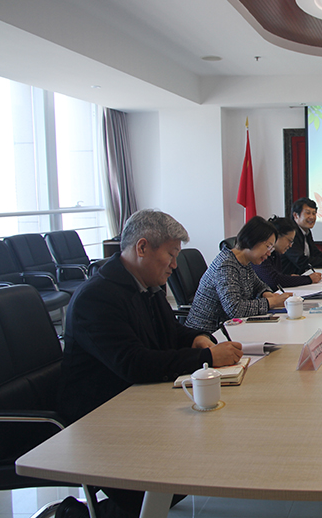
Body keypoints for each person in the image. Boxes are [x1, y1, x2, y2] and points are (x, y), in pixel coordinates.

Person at [55, 209, 243, 518]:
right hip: (100, 416)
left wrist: (196, 339)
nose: (174, 265)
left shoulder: (146, 285)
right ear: (142, 247)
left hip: (136, 400)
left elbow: (170, 332)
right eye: (170, 255)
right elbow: (134, 363)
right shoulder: (97, 297)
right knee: (172, 478)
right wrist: (207, 357)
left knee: (203, 452)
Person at [185, 216, 292, 333]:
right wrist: (272, 302)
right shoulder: (226, 264)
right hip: (207, 333)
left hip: (231, 327)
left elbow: (258, 285)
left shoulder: (244, 261)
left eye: (271, 248)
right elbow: (235, 309)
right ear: (252, 240)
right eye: (268, 247)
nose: (269, 253)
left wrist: (266, 293)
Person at [281, 197, 322, 275]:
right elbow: (301, 261)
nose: (312, 217)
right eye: (308, 213)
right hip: (291, 278)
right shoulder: (290, 234)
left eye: (314, 213)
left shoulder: (306, 231)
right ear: (296, 215)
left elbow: (316, 254)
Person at [253, 216, 322, 288]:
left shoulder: (275, 253)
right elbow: (274, 280)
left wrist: (290, 277)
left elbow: (278, 276)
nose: (290, 245)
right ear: (277, 235)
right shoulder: (261, 253)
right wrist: (308, 279)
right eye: (289, 241)